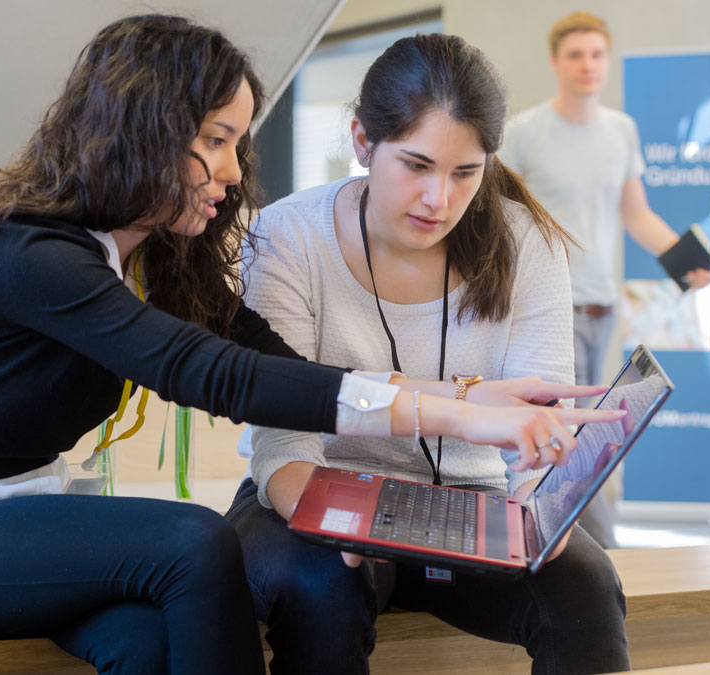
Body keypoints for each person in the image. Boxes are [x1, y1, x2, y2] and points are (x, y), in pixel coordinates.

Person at [0, 15, 625, 675]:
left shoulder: (146, 252)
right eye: (213, 140)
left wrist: (460, 395)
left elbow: (276, 363)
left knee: (148, 641)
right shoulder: (35, 256)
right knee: (193, 539)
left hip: (27, 509)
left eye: (236, 141)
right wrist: (455, 412)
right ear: (143, 132)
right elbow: (213, 374)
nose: (231, 170)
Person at [226, 33, 631, 675]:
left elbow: (535, 432)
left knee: (584, 583)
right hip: (313, 489)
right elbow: (285, 444)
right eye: (416, 165)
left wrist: (540, 504)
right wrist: (337, 521)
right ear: (363, 142)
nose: (439, 199)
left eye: (465, 173)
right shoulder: (287, 235)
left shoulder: (527, 243)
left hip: (472, 504)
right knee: (321, 583)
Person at [499, 11, 710, 548]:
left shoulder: (621, 131)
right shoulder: (524, 132)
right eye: (576, 55)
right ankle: (600, 548)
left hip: (603, 305)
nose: (588, 65)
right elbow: (499, 217)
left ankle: (578, 543)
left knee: (593, 434)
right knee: (571, 435)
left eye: (597, 54)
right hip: (549, 305)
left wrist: (683, 261)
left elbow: (636, 214)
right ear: (556, 62)